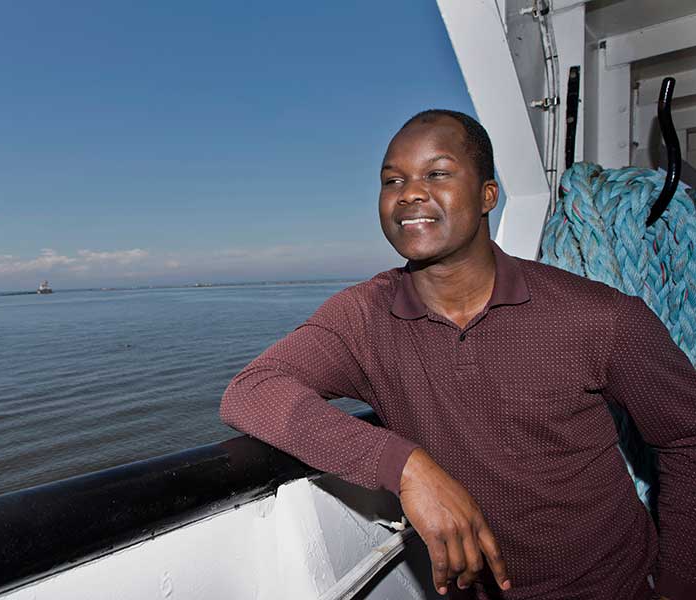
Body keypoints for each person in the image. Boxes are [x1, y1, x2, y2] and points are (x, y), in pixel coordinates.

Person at [220, 110, 696, 600]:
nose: (409, 193)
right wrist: (406, 467)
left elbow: (688, 438)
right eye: (392, 180)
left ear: (488, 194)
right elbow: (251, 391)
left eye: (437, 173)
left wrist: (678, 586)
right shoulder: (365, 317)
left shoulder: (598, 316)